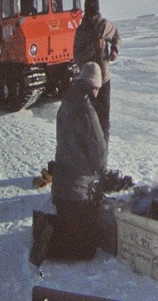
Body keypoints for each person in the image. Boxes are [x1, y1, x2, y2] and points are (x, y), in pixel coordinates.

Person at [47, 61, 108, 261]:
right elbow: (99, 153)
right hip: (77, 195)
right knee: (88, 249)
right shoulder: (86, 110)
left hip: (59, 190)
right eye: (98, 88)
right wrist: (103, 174)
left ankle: (56, 233)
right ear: (94, 87)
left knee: (69, 230)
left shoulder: (65, 103)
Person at [74, 0, 121, 144]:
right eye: (90, 14)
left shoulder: (104, 25)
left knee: (104, 119)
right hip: (89, 83)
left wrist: (114, 49)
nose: (92, 18)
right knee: (89, 119)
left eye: (95, 14)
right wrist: (92, 47)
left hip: (104, 80)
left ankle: (103, 152)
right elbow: (77, 56)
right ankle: (90, 151)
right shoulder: (81, 31)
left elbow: (116, 35)